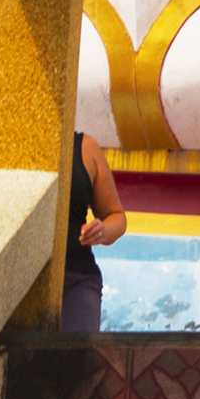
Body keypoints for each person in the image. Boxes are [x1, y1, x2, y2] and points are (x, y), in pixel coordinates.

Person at [56, 130, 129, 332]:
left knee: (78, 360)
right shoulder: (6, 139)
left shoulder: (85, 147)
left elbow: (117, 216)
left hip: (75, 278)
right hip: (16, 279)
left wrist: (102, 230)